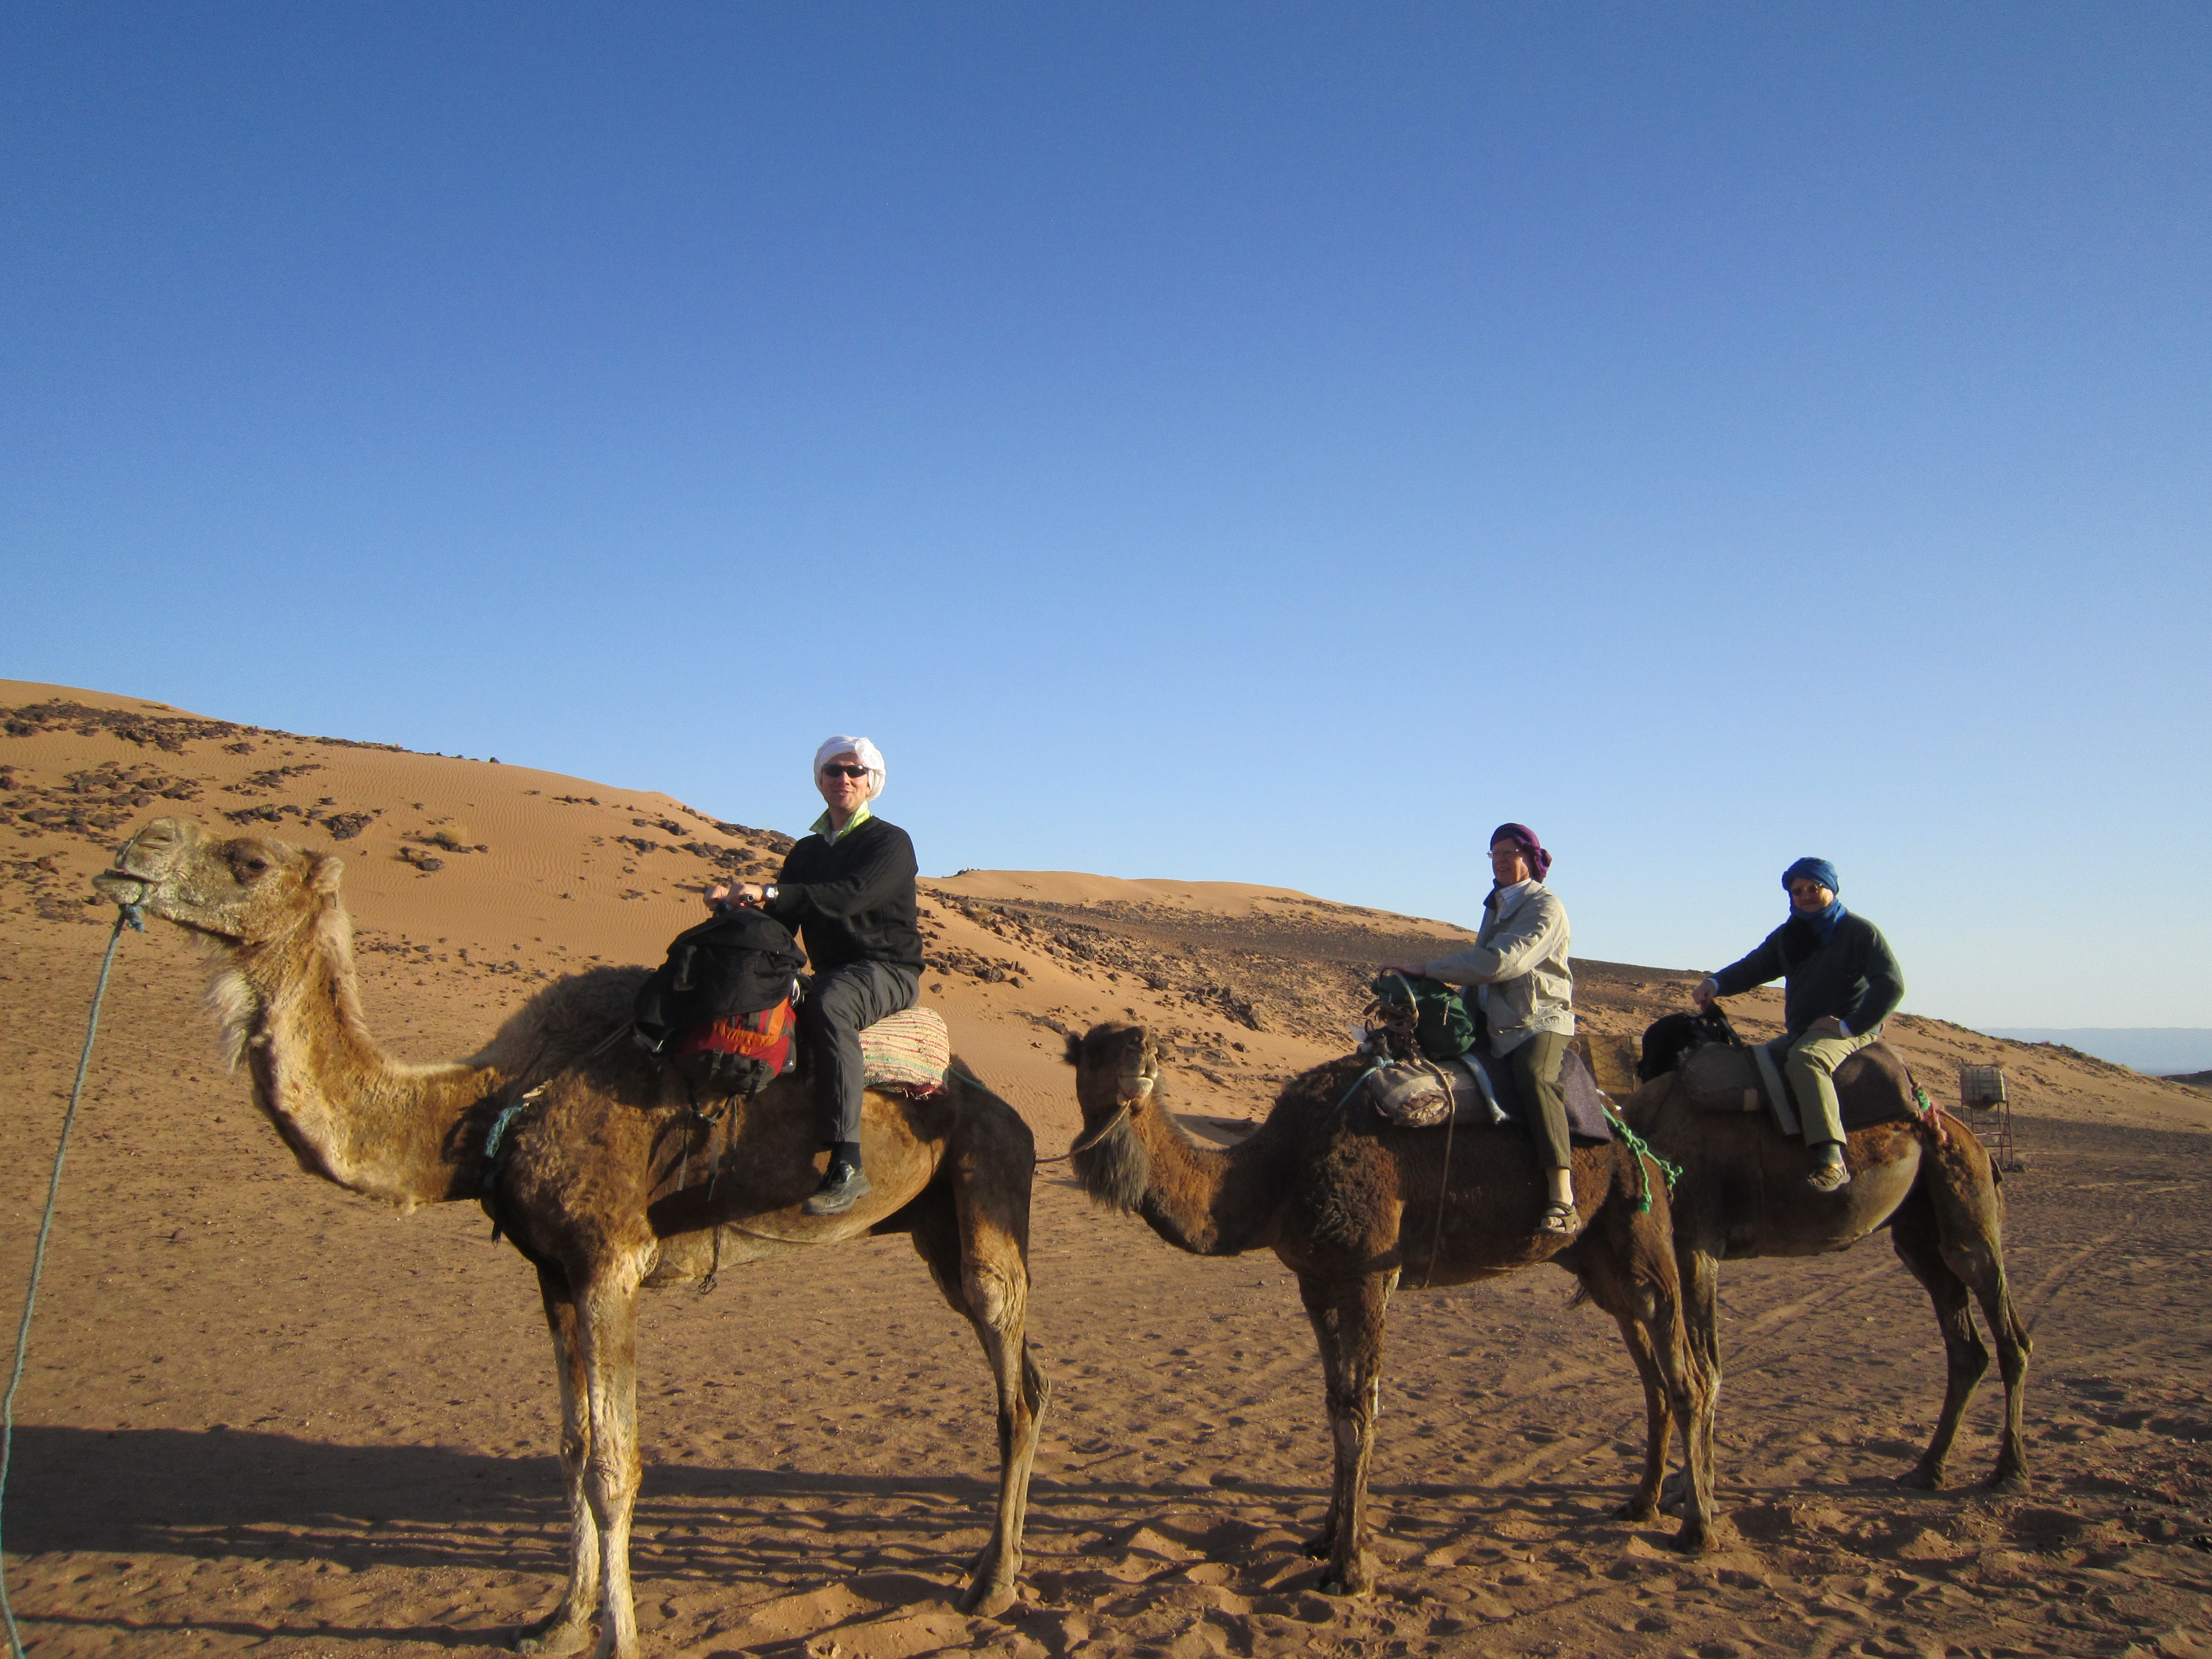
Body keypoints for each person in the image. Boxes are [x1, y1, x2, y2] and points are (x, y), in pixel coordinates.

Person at [707, 736, 923, 1216]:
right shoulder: (805, 852)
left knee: (829, 1005)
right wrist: (733, 909)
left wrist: (770, 891)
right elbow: (781, 926)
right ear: (819, 781)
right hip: (830, 971)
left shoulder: (890, 843)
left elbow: (849, 896)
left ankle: (847, 1163)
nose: (843, 779)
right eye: (833, 771)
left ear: (871, 782)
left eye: (854, 771)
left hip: (886, 970)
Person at [1386, 823, 1579, 1236]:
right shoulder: (1497, 905)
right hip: (1493, 1020)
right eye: (1495, 854)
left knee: (1535, 1078)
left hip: (1537, 1021)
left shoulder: (1545, 907)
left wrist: (1429, 968)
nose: (1502, 861)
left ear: (1530, 858)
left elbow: (1499, 963)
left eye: (1510, 853)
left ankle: (1562, 1196)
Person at [1692, 857, 1904, 1194]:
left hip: (1848, 1029)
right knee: (1758, 1059)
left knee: (1807, 1060)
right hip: (1804, 1029)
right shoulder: (1790, 936)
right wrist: (1715, 984)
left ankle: (1832, 1159)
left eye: (1813, 888)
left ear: (1831, 889)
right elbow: (1755, 967)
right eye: (1797, 891)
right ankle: (1788, 1142)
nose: (1805, 896)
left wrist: (1850, 1025)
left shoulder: (1859, 932)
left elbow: (1892, 986)